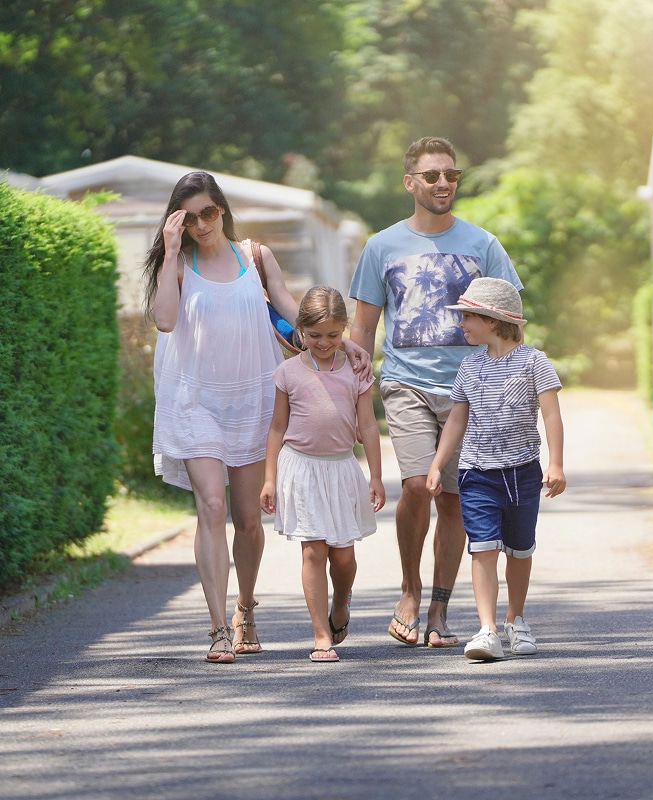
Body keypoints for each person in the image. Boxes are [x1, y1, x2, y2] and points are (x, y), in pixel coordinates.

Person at [142, 171, 369, 663]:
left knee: (248, 519)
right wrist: (167, 248)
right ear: (178, 221)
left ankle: (245, 606)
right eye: (190, 217)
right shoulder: (178, 264)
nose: (203, 224)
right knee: (212, 507)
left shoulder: (256, 257)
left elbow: (294, 315)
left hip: (251, 399)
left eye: (209, 212)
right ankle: (219, 627)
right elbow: (164, 320)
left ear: (221, 209)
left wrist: (345, 343)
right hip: (195, 399)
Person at [349, 136, 523, 648]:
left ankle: (440, 607)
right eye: (432, 176)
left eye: (451, 175)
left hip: (468, 389)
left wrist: (513, 383)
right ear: (410, 183)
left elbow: (510, 321)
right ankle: (408, 589)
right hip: (406, 382)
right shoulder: (382, 246)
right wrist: (353, 390)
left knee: (453, 500)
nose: (443, 183)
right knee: (417, 486)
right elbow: (362, 328)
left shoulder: (483, 244)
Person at [426, 277, 566, 661]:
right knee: (483, 548)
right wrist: (438, 464)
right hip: (478, 473)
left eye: (468, 317)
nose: (462, 324)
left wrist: (555, 463)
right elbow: (456, 420)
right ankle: (487, 629)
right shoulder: (470, 367)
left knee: (519, 550)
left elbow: (551, 414)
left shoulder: (534, 362)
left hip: (522, 471)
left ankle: (515, 619)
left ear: (493, 319)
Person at [260, 286, 385, 662]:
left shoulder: (356, 370)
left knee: (342, 557)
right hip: (301, 468)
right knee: (313, 551)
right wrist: (269, 479)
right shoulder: (287, 373)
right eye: (314, 336)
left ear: (344, 329)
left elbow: (369, 425)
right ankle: (320, 635)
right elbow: (277, 429)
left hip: (342, 468)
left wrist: (376, 476)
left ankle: (341, 602)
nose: (324, 343)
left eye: (333, 335)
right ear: (300, 329)